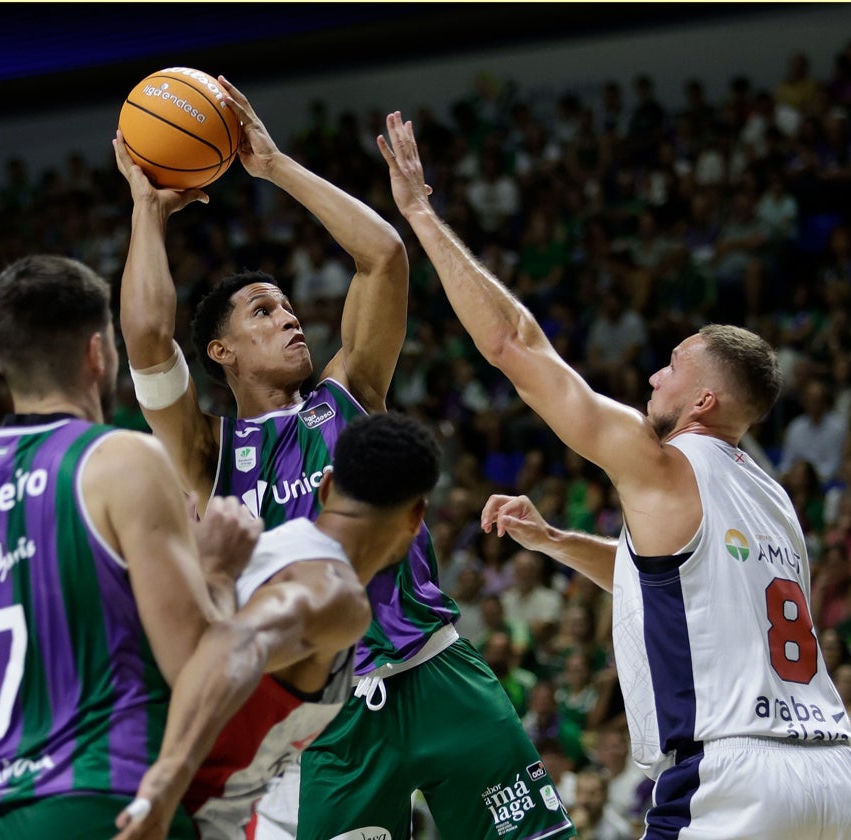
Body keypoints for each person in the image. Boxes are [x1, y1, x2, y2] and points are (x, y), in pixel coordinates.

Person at [116, 77, 573, 840]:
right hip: (328, 713)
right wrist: (144, 210)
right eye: (264, 311)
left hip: (438, 671)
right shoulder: (210, 450)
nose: (289, 316)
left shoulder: (348, 390)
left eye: (289, 304)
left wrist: (275, 166)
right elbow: (144, 342)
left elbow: (383, 257)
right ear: (221, 351)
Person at [379, 109, 851, 837]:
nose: (653, 376)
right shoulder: (771, 495)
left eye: (671, 366)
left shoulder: (663, 458)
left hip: (733, 779)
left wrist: (418, 211)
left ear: (703, 399)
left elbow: (515, 343)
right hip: (833, 776)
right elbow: (678, 583)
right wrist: (556, 542)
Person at [0, 255, 262, 839]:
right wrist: (216, 572)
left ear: (2, 364)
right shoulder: (122, 462)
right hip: (101, 802)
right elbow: (195, 670)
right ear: (97, 353)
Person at [114, 412, 442, 840]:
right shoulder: (335, 592)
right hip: (163, 809)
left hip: (96, 772)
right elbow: (236, 646)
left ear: (325, 487)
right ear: (416, 517)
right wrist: (162, 786)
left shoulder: (270, 549)